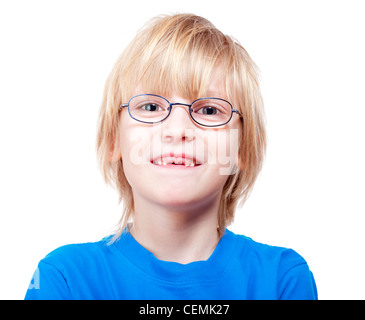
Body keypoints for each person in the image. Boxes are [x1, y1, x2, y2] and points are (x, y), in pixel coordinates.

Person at [25, 13, 317, 300]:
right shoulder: (66, 279)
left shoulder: (282, 279)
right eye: (150, 107)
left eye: (209, 110)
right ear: (115, 139)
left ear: (241, 148)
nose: (177, 130)